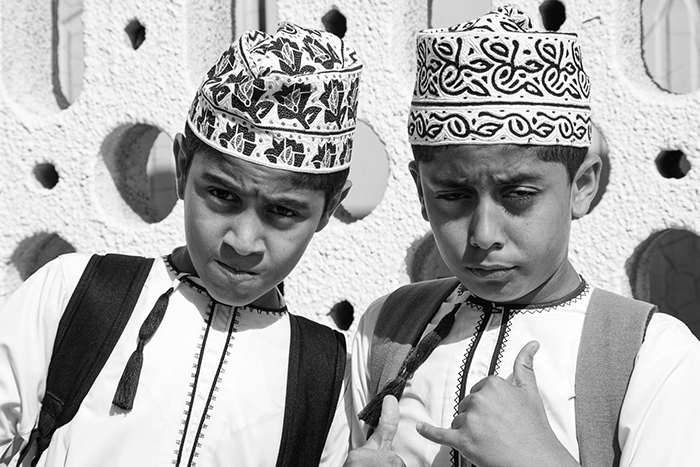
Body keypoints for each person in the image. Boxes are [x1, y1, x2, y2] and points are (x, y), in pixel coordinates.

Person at [346, 6, 700, 467]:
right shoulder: (387, 330)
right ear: (420, 189)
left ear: (583, 186)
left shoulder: (650, 354)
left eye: (518, 194)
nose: (484, 234)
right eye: (453, 195)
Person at [0, 22, 362, 467]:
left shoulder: (326, 380)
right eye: (223, 196)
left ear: (328, 210)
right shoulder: (73, 295)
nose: (243, 242)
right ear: (181, 166)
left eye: (283, 212)